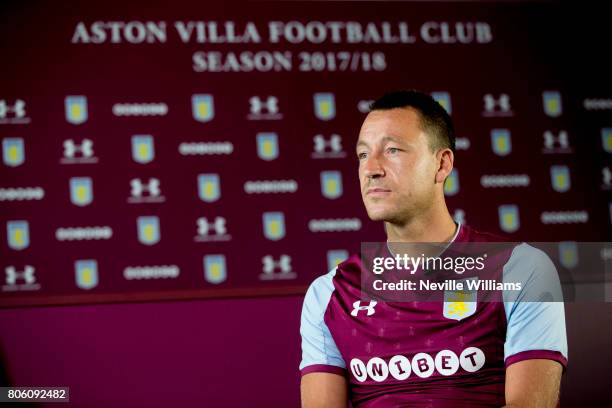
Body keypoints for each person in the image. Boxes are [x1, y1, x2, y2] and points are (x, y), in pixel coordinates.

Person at [299, 90, 568, 407]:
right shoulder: (330, 293)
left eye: (393, 150)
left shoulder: (520, 268)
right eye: (362, 155)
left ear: (442, 164)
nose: (371, 169)